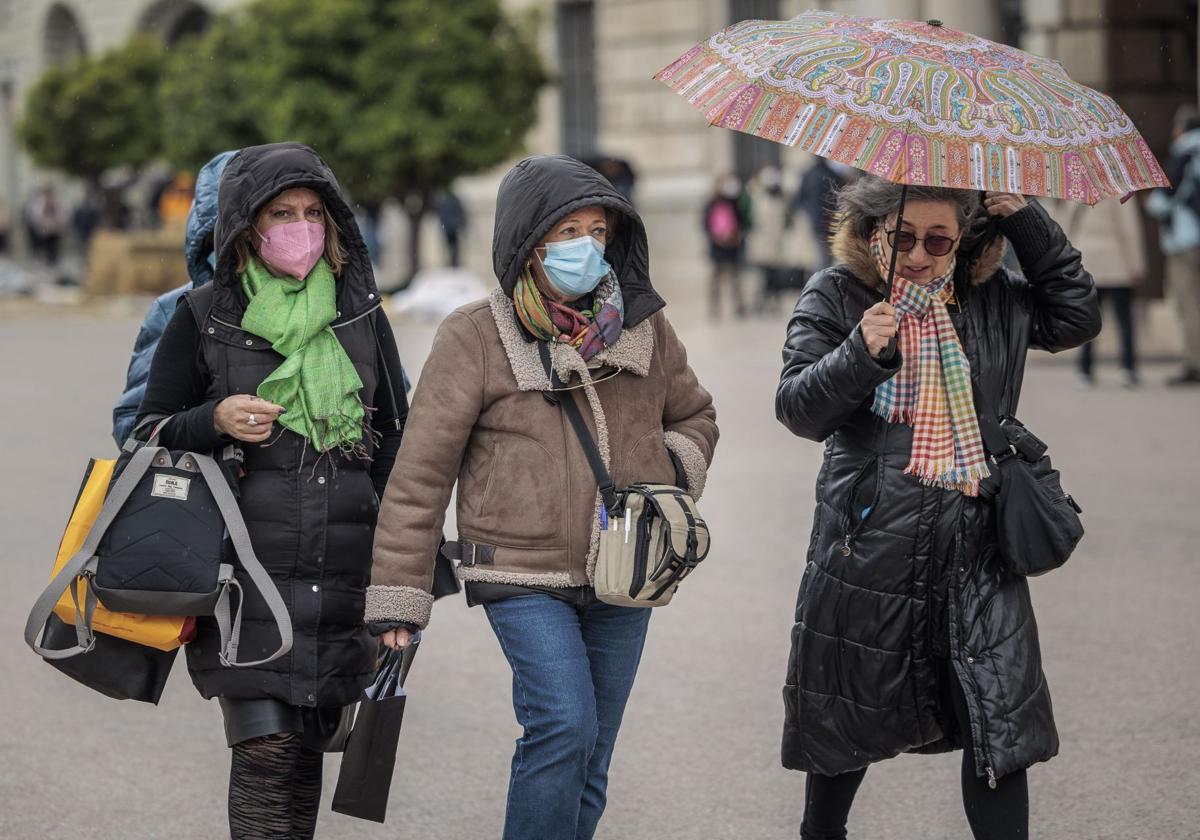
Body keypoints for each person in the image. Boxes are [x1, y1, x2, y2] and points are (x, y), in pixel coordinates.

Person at [367, 154, 719, 840]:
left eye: (596, 230)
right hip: (518, 571)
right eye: (565, 232)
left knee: (592, 751)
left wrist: (667, 478)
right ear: (526, 241)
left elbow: (695, 416)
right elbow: (419, 476)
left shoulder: (643, 325)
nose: (585, 246)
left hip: (627, 574)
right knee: (564, 724)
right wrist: (399, 599)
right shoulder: (474, 335)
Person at [775, 175, 1100, 840]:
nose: (919, 255)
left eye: (937, 240)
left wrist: (1028, 224)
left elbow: (1075, 318)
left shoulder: (992, 298)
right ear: (874, 236)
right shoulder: (838, 295)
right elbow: (799, 409)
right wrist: (859, 353)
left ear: (959, 244)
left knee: (998, 726)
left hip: (979, 549)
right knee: (846, 718)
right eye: (903, 239)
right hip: (869, 547)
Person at [135, 142, 409, 839]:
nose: (300, 226)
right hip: (244, 575)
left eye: (314, 212)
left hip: (341, 572)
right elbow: (145, 437)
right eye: (281, 212)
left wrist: (405, 577)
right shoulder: (202, 316)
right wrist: (213, 420)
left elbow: (399, 451)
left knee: (306, 751)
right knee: (265, 751)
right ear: (246, 227)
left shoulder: (361, 318)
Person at [112, 150, 237, 445]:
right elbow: (134, 427)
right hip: (210, 488)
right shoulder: (178, 309)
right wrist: (213, 420)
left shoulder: (336, 308)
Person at [1065, 196, 1146, 387]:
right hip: (1116, 259)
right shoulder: (1121, 192)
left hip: (1086, 260)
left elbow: (1067, 226)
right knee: (1124, 320)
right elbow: (1130, 229)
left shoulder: (1077, 191)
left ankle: (1085, 369)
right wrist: (1137, 263)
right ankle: (1128, 367)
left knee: (1087, 319)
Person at [1146, 105, 1200, 386]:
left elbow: (1164, 200)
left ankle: (1194, 363)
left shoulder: (1185, 152)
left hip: (1186, 241)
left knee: (1189, 304)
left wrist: (1153, 203)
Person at [702, 174, 752, 318]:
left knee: (735, 279)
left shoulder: (735, 202)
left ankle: (739, 307)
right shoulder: (711, 203)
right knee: (716, 281)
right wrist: (717, 238)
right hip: (717, 248)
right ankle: (714, 310)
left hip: (732, 248)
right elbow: (705, 225)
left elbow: (742, 223)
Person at [792, 156, 852, 270]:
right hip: (830, 218)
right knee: (826, 252)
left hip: (814, 219)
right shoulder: (832, 174)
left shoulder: (807, 175)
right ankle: (824, 274)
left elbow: (799, 199)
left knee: (820, 252)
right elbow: (843, 194)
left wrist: (808, 212)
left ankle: (821, 273)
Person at [747, 165, 792, 314]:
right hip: (763, 246)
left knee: (775, 276)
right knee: (764, 276)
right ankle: (761, 302)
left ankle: (773, 302)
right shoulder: (758, 199)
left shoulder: (781, 201)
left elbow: (787, 223)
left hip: (776, 245)